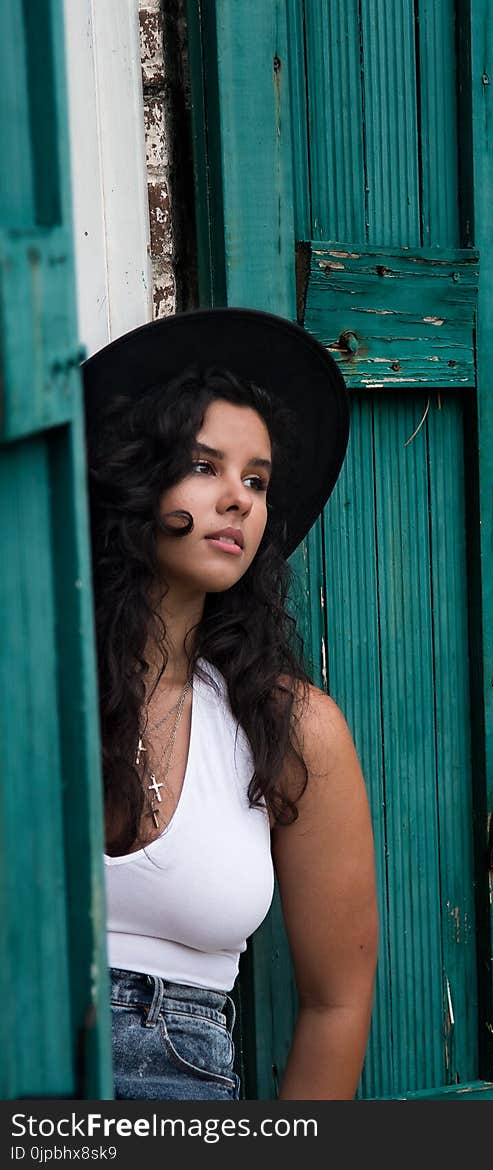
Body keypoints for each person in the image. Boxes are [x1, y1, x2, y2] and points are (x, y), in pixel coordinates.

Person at [82, 307, 378, 1100]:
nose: (239, 500)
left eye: (256, 480)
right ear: (136, 475)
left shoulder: (292, 727)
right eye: (205, 466)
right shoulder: (31, 683)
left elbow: (337, 1002)